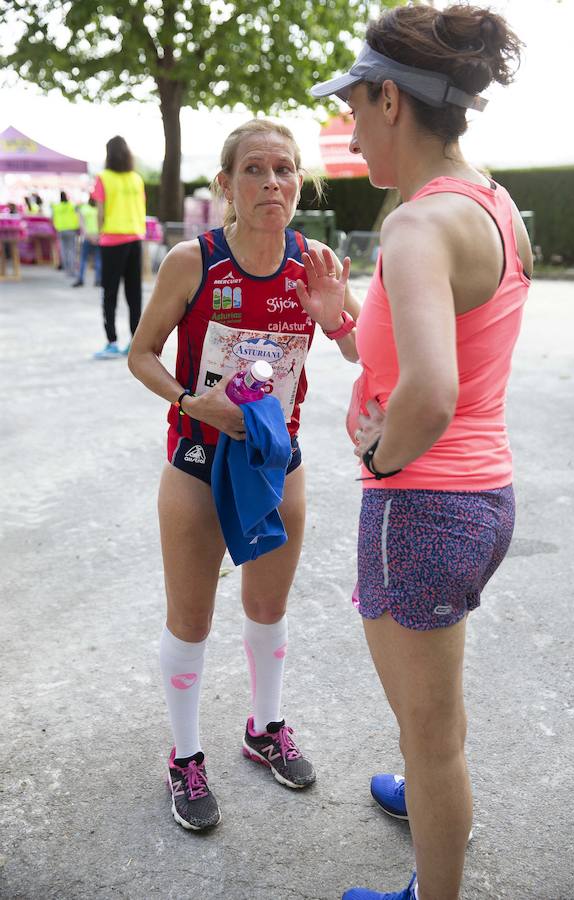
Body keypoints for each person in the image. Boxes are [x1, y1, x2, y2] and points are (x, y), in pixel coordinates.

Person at [306, 5, 530, 900]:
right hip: (479, 497)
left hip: (421, 505)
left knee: (435, 735)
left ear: (391, 100)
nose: (352, 130)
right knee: (426, 716)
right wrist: (344, 329)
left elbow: (430, 395)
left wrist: (385, 455)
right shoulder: (491, 201)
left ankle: (433, 871)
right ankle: (429, 789)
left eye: (355, 109)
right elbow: (436, 355)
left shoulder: (413, 227)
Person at [127, 119, 359, 833]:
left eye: (285, 169)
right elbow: (142, 354)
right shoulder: (191, 263)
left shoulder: (313, 262)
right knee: (191, 618)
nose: (272, 183)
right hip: (198, 460)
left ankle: (264, 729)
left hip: (275, 461)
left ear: (299, 182)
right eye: (254, 170)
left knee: (267, 608)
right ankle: (186, 755)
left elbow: (361, 358)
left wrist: (339, 321)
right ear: (225, 185)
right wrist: (193, 402)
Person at [92, 135, 146, 359]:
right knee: (134, 293)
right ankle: (135, 340)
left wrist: (98, 231)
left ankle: (112, 341)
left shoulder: (103, 178)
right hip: (135, 238)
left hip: (113, 240)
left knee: (110, 292)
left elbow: (101, 211)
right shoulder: (136, 179)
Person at [73, 195, 101, 287]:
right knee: (98, 259)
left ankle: (80, 279)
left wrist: (88, 236)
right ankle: (98, 280)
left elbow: (81, 224)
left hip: (87, 237)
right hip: (98, 237)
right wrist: (98, 236)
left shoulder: (84, 209)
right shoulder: (99, 209)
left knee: (83, 259)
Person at [51, 190, 79, 278]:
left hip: (61, 230)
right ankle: (72, 270)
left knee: (64, 250)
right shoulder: (71, 206)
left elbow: (52, 218)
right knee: (72, 250)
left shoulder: (56, 207)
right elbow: (77, 216)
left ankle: (67, 270)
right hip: (71, 230)